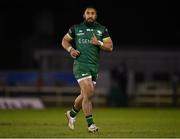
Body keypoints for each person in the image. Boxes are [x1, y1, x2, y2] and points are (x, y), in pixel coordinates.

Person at [61, 6, 113, 133]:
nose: (90, 15)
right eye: (88, 13)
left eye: (93, 13)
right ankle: (91, 125)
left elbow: (110, 47)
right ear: (84, 15)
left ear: (96, 16)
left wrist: (99, 43)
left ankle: (71, 114)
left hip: (94, 66)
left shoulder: (102, 29)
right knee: (89, 93)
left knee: (85, 95)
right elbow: (65, 41)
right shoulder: (76, 28)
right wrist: (71, 50)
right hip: (80, 64)